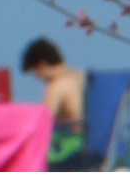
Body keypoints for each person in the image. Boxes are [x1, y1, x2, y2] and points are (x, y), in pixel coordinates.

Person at [20, 36, 87, 165]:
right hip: (91, 144)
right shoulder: (81, 76)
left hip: (73, 150)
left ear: (42, 65)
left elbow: (43, 124)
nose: (37, 78)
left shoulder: (57, 86)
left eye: (35, 72)